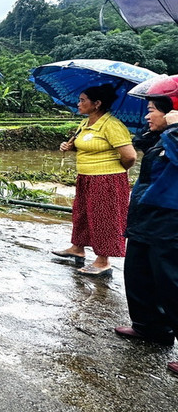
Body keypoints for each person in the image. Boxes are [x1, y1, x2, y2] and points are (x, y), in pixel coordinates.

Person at [112, 78, 178, 377]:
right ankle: (150, 327)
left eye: (153, 110)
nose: (147, 115)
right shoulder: (161, 137)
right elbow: (137, 147)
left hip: (170, 219)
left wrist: (174, 129)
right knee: (138, 272)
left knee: (171, 281)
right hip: (145, 216)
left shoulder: (175, 138)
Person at [51, 84, 137, 276]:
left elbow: (130, 156)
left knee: (103, 218)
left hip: (106, 180)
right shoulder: (86, 123)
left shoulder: (112, 125)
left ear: (97, 103)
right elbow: (84, 144)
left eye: (83, 100)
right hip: (86, 178)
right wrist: (69, 147)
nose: (78, 103)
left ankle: (102, 261)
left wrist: (114, 170)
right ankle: (77, 248)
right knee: (81, 214)